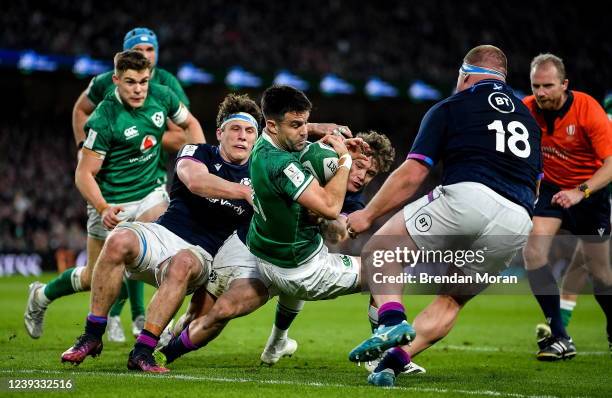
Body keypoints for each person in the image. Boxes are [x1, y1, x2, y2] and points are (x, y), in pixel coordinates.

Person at [346, 45, 541, 387]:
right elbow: (537, 187)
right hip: (519, 219)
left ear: (465, 75)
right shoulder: (529, 120)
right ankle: (389, 366)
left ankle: (391, 322)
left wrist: (369, 213)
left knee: (380, 252)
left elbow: (414, 172)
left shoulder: (453, 106)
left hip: (469, 196)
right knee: (451, 300)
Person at [153, 131, 393, 369]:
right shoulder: (312, 155)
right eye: (359, 166)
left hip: (283, 262)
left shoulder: (351, 198)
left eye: (370, 173)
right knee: (196, 315)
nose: (362, 176)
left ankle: (166, 354)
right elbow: (280, 135)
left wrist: (322, 216)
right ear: (347, 153)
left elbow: (338, 229)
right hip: (246, 244)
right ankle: (167, 338)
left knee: (224, 311)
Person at [60, 93, 258, 372]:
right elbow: (195, 180)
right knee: (118, 239)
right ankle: (92, 336)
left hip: (201, 255)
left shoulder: (260, 174)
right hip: (162, 234)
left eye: (250, 131)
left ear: (257, 138)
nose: (242, 136)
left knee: (183, 262)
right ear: (219, 133)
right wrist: (245, 193)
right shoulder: (198, 152)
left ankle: (142, 351)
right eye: (235, 129)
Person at [24, 27, 197, 343]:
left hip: (150, 185)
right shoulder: (104, 101)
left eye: (150, 50)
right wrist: (85, 150)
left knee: (163, 246)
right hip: (110, 194)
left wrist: (158, 142)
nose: (145, 57)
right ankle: (42, 295)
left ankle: (148, 323)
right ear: (117, 78)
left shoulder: (165, 87)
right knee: (95, 276)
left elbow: (185, 129)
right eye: (139, 51)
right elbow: (81, 125)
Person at [521, 54, 612, 360]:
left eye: (548, 85)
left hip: (591, 193)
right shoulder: (527, 109)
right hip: (551, 189)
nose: (541, 92)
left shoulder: (588, 109)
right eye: (536, 86)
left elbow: (611, 164)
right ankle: (560, 337)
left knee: (601, 275)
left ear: (564, 84)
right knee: (533, 252)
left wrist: (581, 191)